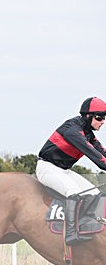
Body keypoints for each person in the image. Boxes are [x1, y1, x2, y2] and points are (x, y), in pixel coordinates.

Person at [37, 96, 106, 245]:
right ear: (88, 117)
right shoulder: (73, 131)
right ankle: (70, 234)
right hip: (47, 168)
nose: (103, 122)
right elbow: (99, 160)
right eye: (99, 118)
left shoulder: (88, 134)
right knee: (74, 192)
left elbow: (103, 152)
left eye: (104, 118)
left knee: (93, 193)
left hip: (63, 170)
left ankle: (83, 225)